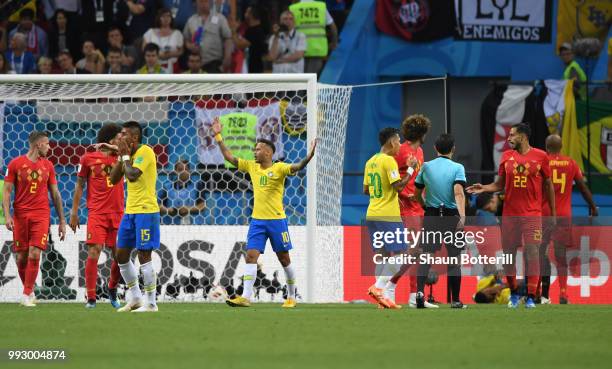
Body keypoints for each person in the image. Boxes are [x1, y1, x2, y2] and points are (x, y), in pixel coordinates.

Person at [212, 118, 316, 308]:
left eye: (258, 149)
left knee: (284, 259)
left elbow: (296, 167)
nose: (254, 152)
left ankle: (292, 296)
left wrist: (307, 158)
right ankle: (246, 297)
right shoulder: (252, 166)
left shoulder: (279, 168)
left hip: (277, 221)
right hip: (257, 221)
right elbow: (229, 158)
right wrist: (218, 135)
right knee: (251, 255)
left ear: (268, 152)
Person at [467, 123, 556, 309]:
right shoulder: (506, 157)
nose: (509, 138)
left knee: (532, 253)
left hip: (532, 214)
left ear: (523, 136)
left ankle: (531, 297)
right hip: (509, 216)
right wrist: (483, 187)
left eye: (513, 135)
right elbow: (499, 185)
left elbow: (549, 185)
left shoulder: (541, 157)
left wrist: (552, 215)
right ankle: (514, 293)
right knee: (509, 256)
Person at [2, 131, 67, 307]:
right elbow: (7, 192)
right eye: (47, 144)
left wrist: (62, 221)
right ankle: (29, 292)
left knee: (35, 252)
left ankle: (25, 294)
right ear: (38, 145)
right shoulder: (15, 164)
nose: (49, 147)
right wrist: (7, 215)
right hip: (20, 215)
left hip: (41, 215)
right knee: (21, 257)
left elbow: (55, 193)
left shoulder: (48, 166)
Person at [70, 124, 124, 309]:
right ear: (111, 139)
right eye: (119, 136)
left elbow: (138, 151)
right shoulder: (88, 159)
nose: (123, 139)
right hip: (97, 213)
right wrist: (74, 212)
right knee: (94, 251)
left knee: (120, 255)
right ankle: (91, 298)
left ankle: (112, 289)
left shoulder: (122, 157)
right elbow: (79, 186)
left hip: (118, 213)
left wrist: (115, 149)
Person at [539, 134, 597, 305]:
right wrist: (593, 206)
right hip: (563, 215)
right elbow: (583, 187)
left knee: (539, 253)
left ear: (546, 147)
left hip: (544, 213)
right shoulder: (571, 163)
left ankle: (539, 293)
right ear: (561, 146)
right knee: (561, 256)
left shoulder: (542, 162)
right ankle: (563, 294)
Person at [109, 121, 161, 312]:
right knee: (120, 255)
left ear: (135, 137)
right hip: (130, 212)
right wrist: (122, 157)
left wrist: (124, 156)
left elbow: (131, 175)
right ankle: (136, 298)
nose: (120, 138)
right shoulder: (128, 156)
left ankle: (151, 303)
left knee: (144, 255)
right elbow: (113, 179)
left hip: (146, 211)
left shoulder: (146, 151)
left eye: (124, 134)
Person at [364, 127, 417, 310]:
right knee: (402, 254)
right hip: (388, 215)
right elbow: (398, 187)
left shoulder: (370, 161)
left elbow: (366, 190)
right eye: (399, 141)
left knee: (385, 256)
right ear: (392, 142)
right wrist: (410, 169)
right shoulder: (389, 161)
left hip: (372, 214)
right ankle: (378, 288)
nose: (400, 145)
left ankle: (383, 299)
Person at [385, 114, 434, 308]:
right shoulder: (400, 151)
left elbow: (419, 180)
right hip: (405, 208)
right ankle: (390, 285)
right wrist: (403, 195)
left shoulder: (420, 151)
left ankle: (414, 295)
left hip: (419, 206)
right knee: (413, 251)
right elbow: (392, 176)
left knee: (419, 253)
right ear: (422, 133)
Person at [413, 134, 467, 309]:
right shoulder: (458, 167)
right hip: (451, 215)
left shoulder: (426, 166)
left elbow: (416, 193)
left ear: (435, 148)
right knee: (454, 259)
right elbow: (458, 192)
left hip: (432, 215)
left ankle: (420, 295)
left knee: (426, 256)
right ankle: (456, 300)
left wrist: (425, 206)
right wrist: (462, 215)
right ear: (453, 149)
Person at [289, 0, 338, 75]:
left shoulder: (293, 8)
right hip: (317, 49)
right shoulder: (321, 7)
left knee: (300, 79)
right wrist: (334, 43)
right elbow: (333, 27)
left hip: (298, 49)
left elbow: (287, 29)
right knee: (312, 78)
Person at [183, 0, 233, 73]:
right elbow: (185, 39)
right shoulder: (191, 20)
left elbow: (228, 38)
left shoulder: (220, 18)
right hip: (195, 65)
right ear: (196, 3)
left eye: (205, 1)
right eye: (201, 1)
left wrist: (227, 59)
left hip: (214, 63)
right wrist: (190, 46)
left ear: (210, 2)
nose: (203, 3)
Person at [159, 159, 206, 225]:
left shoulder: (197, 185)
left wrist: (188, 209)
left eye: (186, 169)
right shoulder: (167, 186)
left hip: (193, 225)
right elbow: (158, 205)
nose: (183, 172)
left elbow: (203, 205)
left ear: (189, 171)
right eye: (180, 169)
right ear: (175, 171)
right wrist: (169, 210)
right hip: (171, 225)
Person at [143, 8, 184, 74]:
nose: (166, 18)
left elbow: (181, 51)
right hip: (154, 66)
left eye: (168, 16)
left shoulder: (177, 33)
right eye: (163, 16)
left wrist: (170, 54)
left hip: (173, 66)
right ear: (159, 18)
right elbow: (144, 49)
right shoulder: (150, 32)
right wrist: (158, 55)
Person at [231, 5, 267, 73]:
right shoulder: (252, 29)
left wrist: (233, 31)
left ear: (252, 15)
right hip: (252, 67)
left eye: (247, 12)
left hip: (254, 69)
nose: (245, 14)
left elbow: (240, 45)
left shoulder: (255, 31)